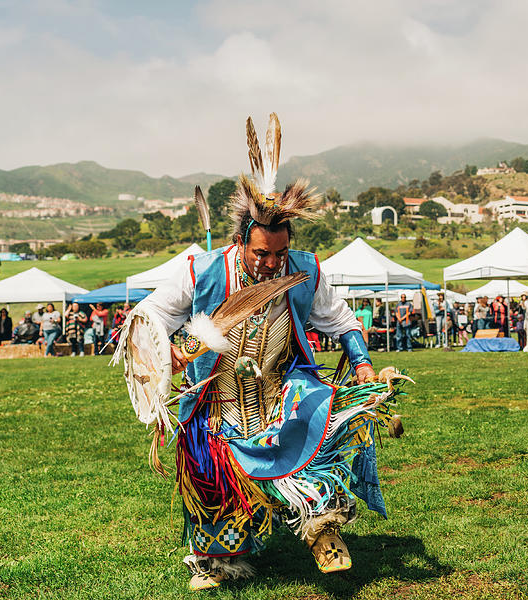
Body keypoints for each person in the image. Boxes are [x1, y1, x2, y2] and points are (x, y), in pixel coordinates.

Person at [116, 113, 407, 591]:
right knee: (216, 484)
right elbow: (151, 315)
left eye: (279, 254)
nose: (272, 264)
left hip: (279, 390)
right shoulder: (203, 271)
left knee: (317, 431)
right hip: (217, 402)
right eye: (261, 255)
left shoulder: (305, 270)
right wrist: (161, 354)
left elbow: (342, 321)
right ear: (240, 242)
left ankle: (323, 530)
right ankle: (219, 560)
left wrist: (363, 363)